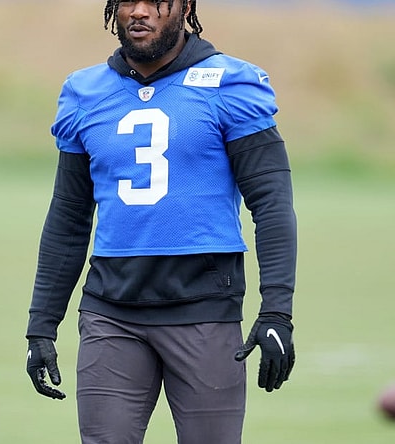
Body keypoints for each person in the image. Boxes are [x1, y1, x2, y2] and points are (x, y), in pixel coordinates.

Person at [25, 1, 297, 442]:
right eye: (128, 0)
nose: (139, 12)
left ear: (186, 7)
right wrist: (41, 324)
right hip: (111, 310)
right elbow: (69, 216)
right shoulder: (85, 91)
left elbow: (271, 203)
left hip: (204, 307)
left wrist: (277, 312)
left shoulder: (232, 83)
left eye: (155, 1)